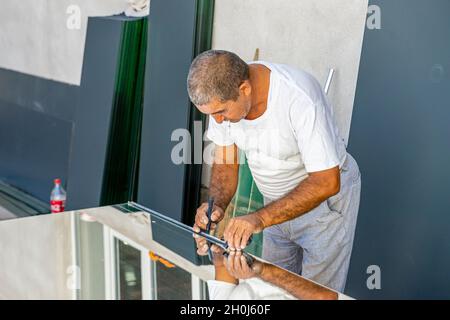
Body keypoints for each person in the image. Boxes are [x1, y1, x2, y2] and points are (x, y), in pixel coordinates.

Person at [188, 50, 361, 292]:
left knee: (314, 293)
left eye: (221, 112)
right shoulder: (222, 99)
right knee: (274, 291)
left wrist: (258, 219)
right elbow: (226, 162)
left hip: (323, 206)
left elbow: (326, 182)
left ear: (245, 89)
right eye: (211, 114)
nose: (217, 121)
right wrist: (216, 206)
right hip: (273, 207)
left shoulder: (299, 97)